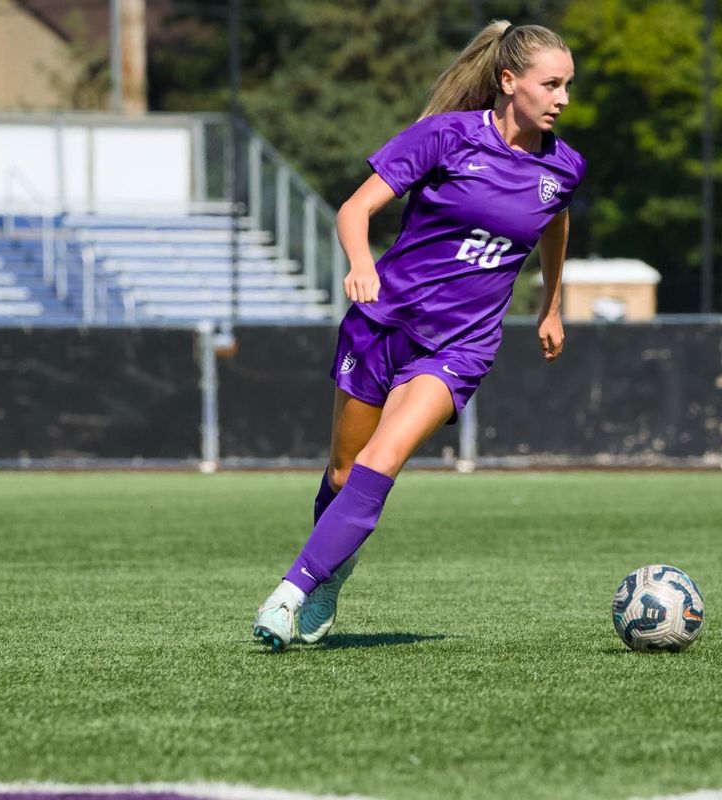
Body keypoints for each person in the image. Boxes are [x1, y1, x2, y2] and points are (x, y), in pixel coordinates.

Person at [251, 21, 585, 651]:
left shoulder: (563, 168)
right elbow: (354, 210)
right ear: (508, 81)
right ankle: (331, 573)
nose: (562, 98)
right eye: (550, 84)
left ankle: (290, 592)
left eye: (567, 85)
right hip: (383, 323)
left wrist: (551, 305)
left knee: (382, 459)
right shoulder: (445, 137)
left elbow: (554, 224)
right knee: (344, 472)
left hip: (461, 345)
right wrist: (361, 264)